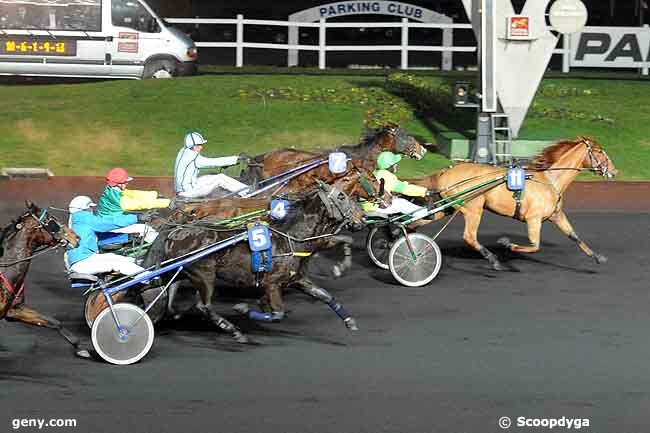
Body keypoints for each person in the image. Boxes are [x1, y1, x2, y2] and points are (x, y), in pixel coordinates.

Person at [65, 195, 150, 277]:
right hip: (83, 261)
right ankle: (150, 279)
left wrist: (127, 237)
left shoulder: (77, 222)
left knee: (124, 259)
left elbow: (99, 238)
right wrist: (137, 218)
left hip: (85, 259)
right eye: (91, 207)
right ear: (86, 208)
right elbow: (109, 223)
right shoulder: (83, 217)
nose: (92, 210)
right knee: (119, 263)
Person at [96, 167, 169, 243]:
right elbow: (139, 204)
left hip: (113, 221)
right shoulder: (118, 199)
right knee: (148, 230)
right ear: (117, 184)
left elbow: (134, 194)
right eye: (125, 182)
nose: (127, 183)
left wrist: (155, 195)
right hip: (112, 226)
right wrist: (167, 203)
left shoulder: (112, 189)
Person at [174, 131, 250, 199]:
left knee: (217, 176)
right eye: (199, 145)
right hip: (190, 192)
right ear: (193, 146)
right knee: (220, 179)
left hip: (185, 188)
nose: (201, 147)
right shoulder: (194, 158)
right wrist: (237, 158)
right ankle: (247, 192)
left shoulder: (183, 151)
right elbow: (215, 162)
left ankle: (245, 190)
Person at [362, 151, 432, 218]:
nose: (396, 165)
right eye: (394, 163)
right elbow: (404, 189)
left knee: (395, 198)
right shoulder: (386, 175)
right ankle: (426, 213)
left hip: (365, 205)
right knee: (401, 203)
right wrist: (424, 192)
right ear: (390, 166)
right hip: (376, 207)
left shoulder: (374, 172)